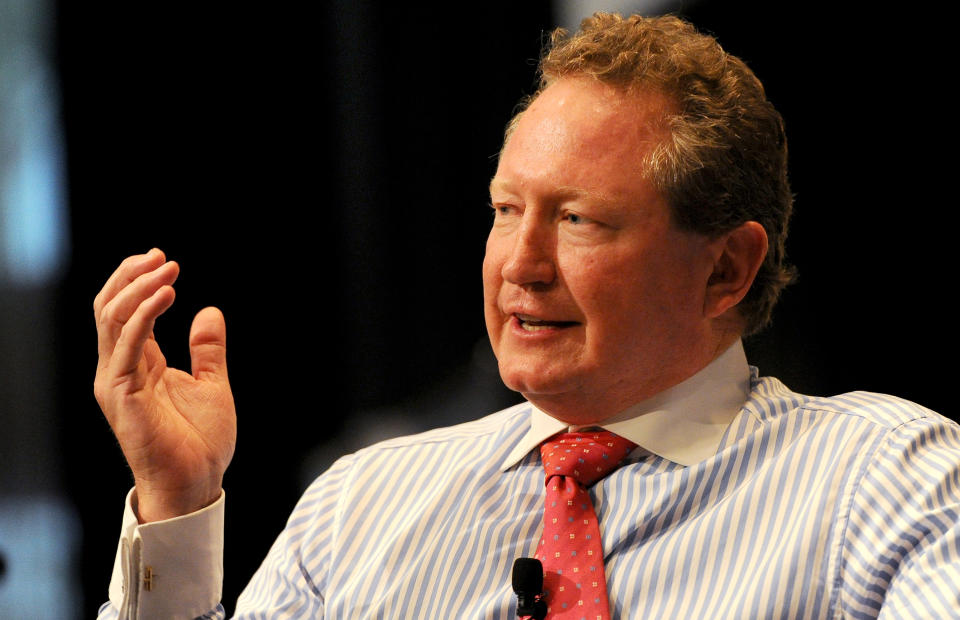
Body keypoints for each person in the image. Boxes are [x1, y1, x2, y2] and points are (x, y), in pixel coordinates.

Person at [95, 13, 960, 619]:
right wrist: (177, 502)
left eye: (578, 220)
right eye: (506, 211)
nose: (520, 264)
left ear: (726, 268)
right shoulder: (357, 506)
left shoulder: (885, 480)